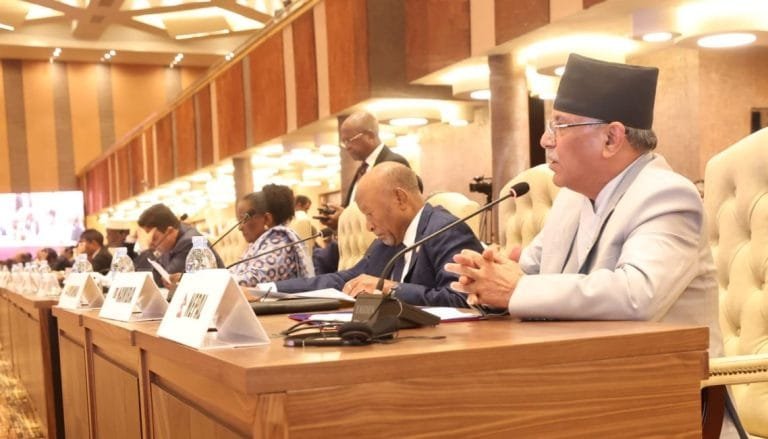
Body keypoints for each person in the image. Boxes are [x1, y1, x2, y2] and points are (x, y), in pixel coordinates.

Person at [445, 54, 738, 436]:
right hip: (585, 386)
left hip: (669, 402)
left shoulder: (667, 194)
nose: (545, 139)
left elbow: (638, 294)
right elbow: (530, 268)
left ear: (611, 138)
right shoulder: (573, 197)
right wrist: (487, 276)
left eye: (560, 125)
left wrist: (516, 289)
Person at [271, 162, 483, 307]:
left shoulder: (446, 231)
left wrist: (391, 289)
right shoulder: (389, 240)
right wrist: (269, 290)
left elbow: (463, 299)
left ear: (400, 198)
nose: (368, 227)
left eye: (370, 214)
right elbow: (344, 280)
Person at [318, 111, 414, 231]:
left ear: (370, 136)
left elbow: (394, 210)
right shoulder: (362, 169)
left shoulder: (393, 163)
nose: (347, 147)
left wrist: (346, 218)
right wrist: (341, 216)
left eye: (349, 140)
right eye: (344, 142)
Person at [229, 184, 313, 286]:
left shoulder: (281, 242)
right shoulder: (257, 244)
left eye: (244, 219)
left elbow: (252, 281)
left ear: (267, 219)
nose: (240, 227)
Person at [133, 203, 224, 286]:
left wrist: (145, 249)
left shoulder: (189, 242)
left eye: (154, 238)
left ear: (169, 231)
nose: (151, 244)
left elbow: (164, 281)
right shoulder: (171, 243)